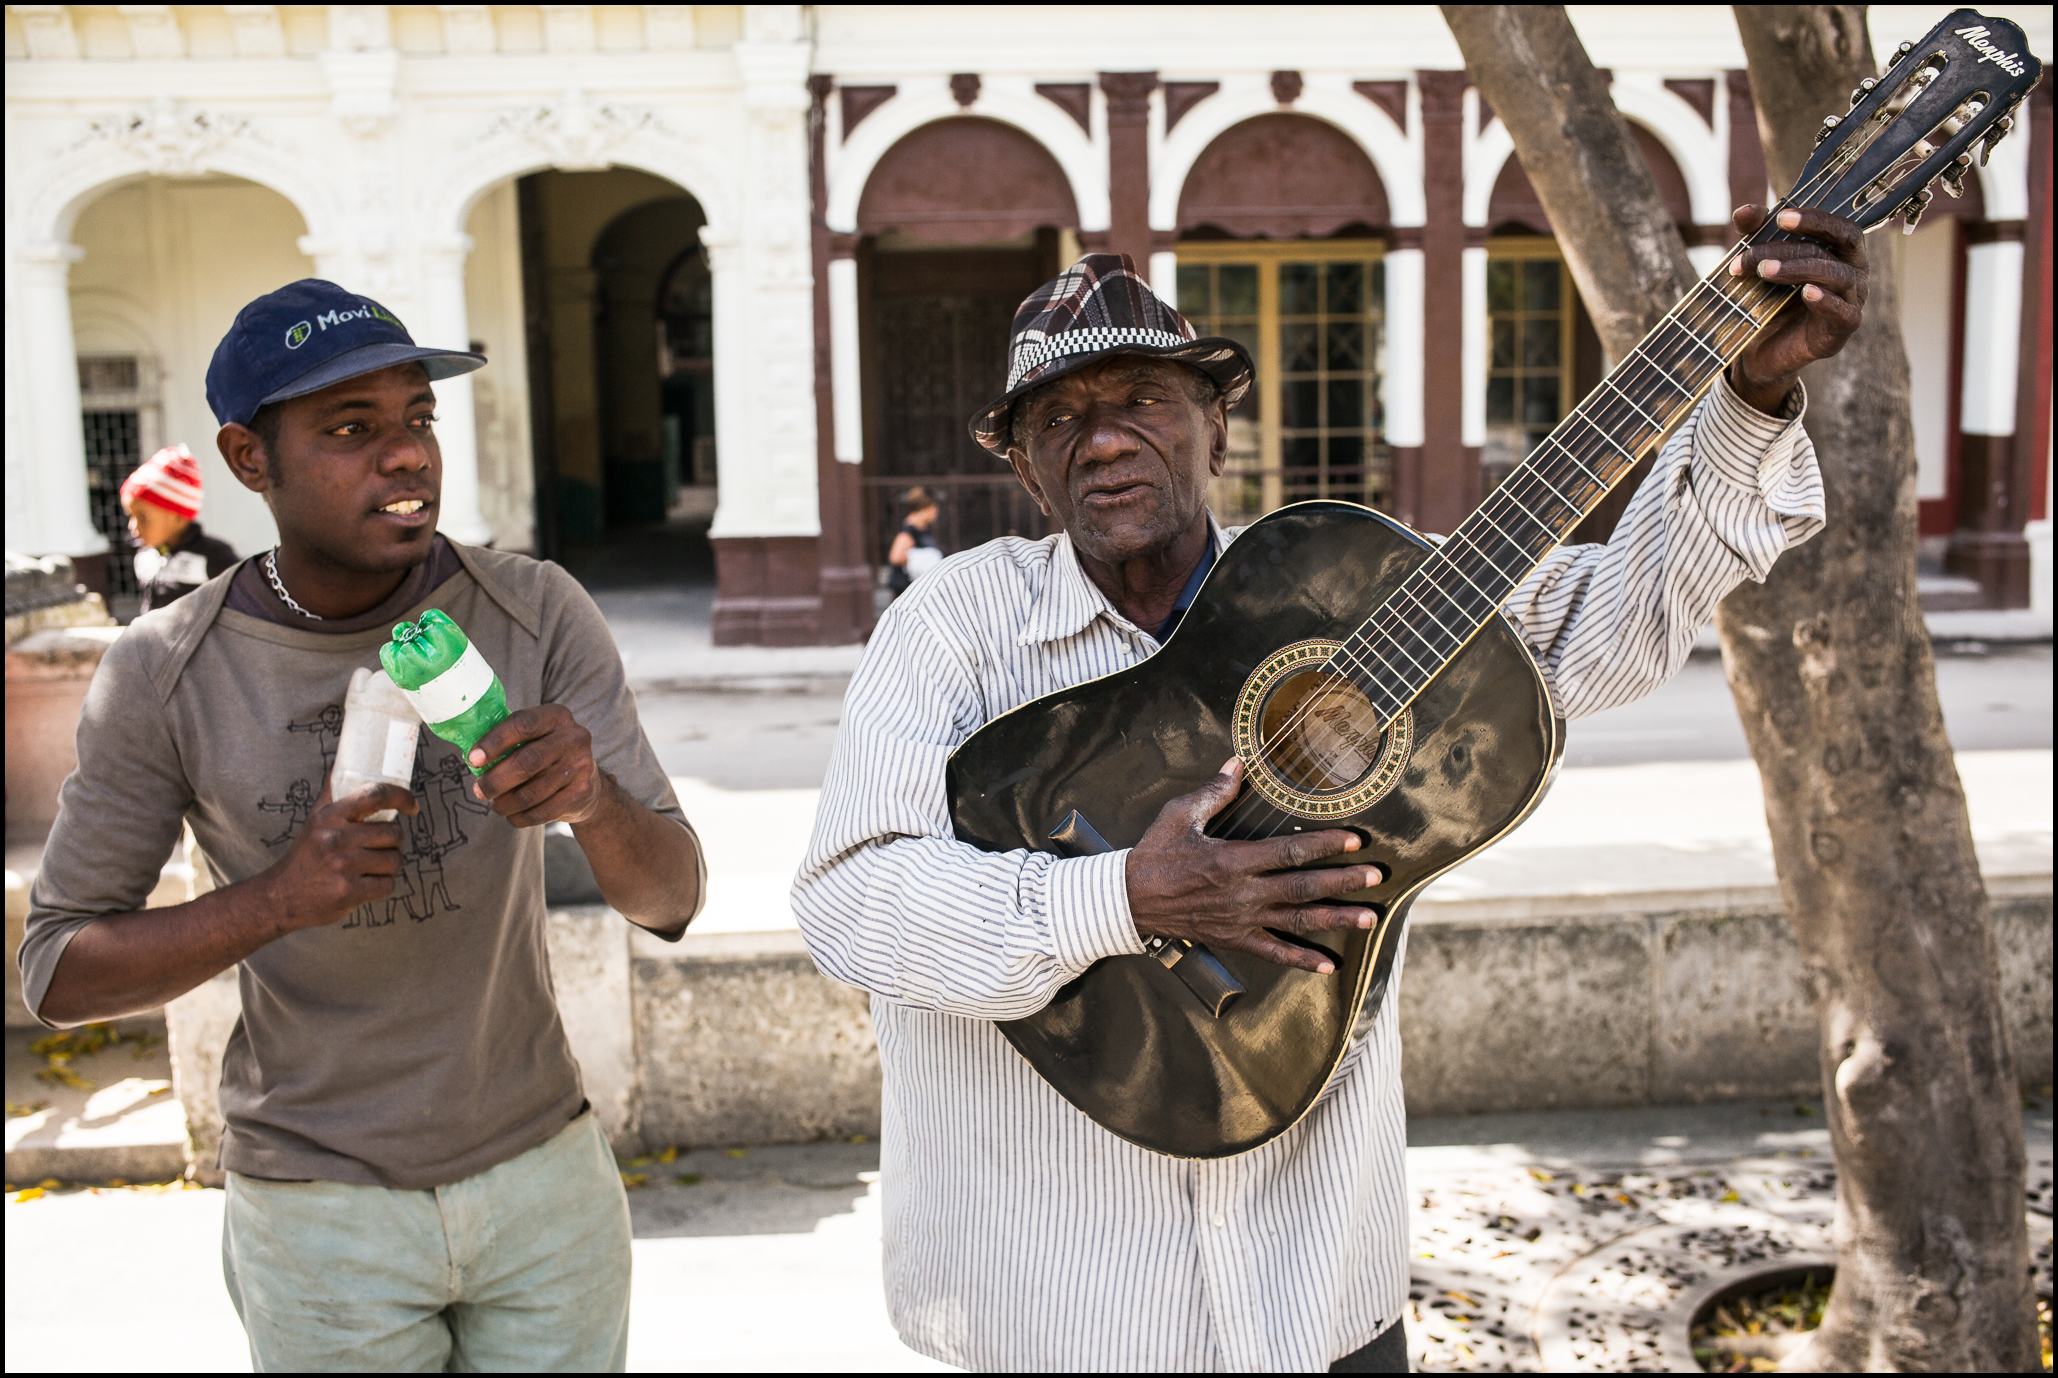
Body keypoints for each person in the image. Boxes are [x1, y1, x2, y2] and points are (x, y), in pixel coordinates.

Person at [793, 208, 1866, 1372]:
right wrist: (1124, 899)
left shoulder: (1344, 593)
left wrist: (1745, 403)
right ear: (1024, 468)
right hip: (1058, 1306)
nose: (1102, 440)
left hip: (1316, 1296)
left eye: (1142, 400)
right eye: (1059, 419)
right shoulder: (951, 631)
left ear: (1215, 424)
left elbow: (1613, 616)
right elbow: (852, 901)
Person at [19, 279, 707, 1373]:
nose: (407, 456)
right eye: (351, 429)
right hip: (316, 1210)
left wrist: (592, 800)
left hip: (543, 1179)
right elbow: (56, 973)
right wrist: (278, 898)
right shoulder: (164, 670)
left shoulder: (532, 609)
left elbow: (671, 896)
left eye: (418, 419)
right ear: (251, 461)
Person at [119, 443, 238, 614]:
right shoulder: (146, 556)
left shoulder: (215, 557)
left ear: (178, 517)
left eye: (143, 517)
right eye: (130, 515)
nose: (133, 526)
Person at [885, 484, 943, 597]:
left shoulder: (922, 529)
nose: (936, 513)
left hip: (916, 588)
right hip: (906, 590)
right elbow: (896, 557)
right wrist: (922, 560)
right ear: (926, 508)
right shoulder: (909, 531)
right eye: (934, 508)